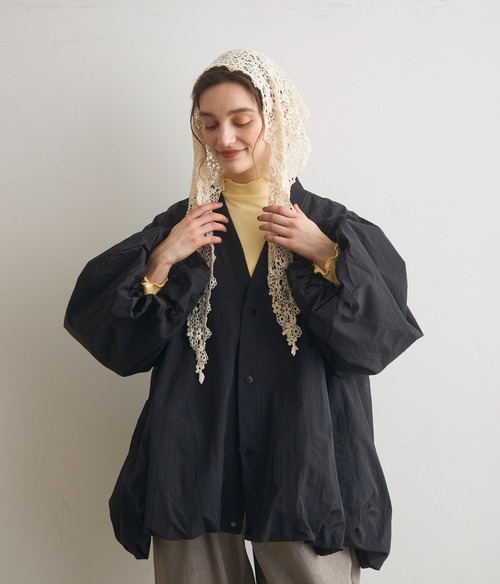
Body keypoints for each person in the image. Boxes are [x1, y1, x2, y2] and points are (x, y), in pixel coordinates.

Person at [64, 49, 422, 583]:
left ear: (275, 118)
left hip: (305, 471)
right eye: (209, 123)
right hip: (194, 468)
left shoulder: (334, 229)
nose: (224, 138)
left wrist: (325, 253)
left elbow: (376, 342)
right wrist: (162, 259)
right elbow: (117, 342)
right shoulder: (180, 228)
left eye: (241, 120)